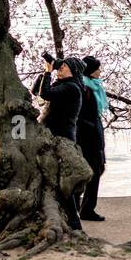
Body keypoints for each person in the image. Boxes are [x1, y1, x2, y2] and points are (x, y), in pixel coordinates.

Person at [32, 55, 85, 230]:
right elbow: (37, 92)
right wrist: (45, 72)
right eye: (60, 66)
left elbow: (46, 93)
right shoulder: (62, 85)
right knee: (54, 178)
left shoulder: (71, 87)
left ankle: (75, 222)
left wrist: (49, 72)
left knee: (64, 181)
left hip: (63, 137)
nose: (60, 68)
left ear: (73, 70)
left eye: (64, 67)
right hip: (53, 135)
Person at [76, 55, 108, 222]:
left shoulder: (93, 87)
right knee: (92, 172)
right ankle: (85, 209)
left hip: (94, 135)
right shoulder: (85, 89)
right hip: (87, 138)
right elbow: (79, 115)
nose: (100, 72)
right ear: (90, 71)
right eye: (97, 69)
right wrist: (91, 128)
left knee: (98, 169)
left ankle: (81, 206)